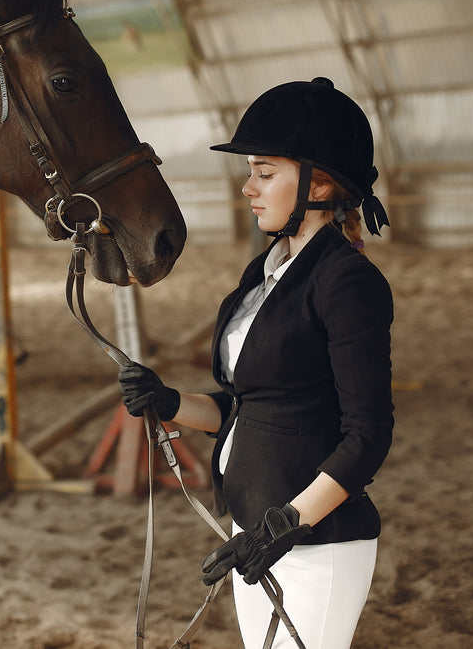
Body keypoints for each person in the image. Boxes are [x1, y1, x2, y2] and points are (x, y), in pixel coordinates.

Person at [119, 77, 394, 649]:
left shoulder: (347, 281)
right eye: (251, 172)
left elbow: (368, 435)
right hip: (252, 533)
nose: (248, 188)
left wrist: (285, 524)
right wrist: (169, 403)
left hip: (315, 544)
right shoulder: (265, 271)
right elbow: (247, 406)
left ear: (319, 182)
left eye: (265, 173)